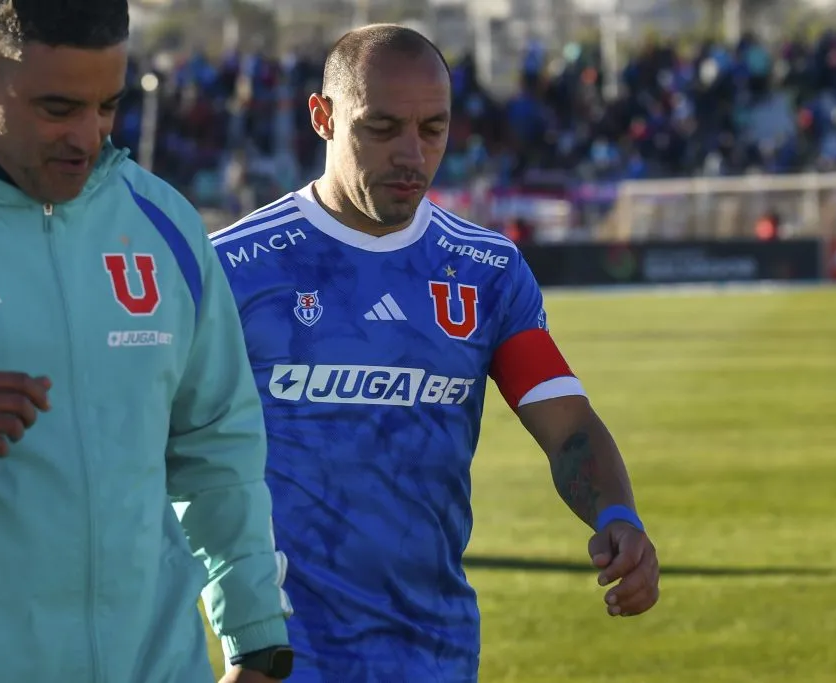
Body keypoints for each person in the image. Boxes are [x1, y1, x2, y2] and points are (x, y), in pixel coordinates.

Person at [210, 24, 660, 682]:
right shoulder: (234, 270)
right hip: (281, 657)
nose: (411, 154)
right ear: (323, 117)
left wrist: (617, 514)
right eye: (382, 127)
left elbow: (567, 425)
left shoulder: (485, 270)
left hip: (438, 650)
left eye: (433, 129)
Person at [0, 1, 294, 681]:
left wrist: (255, 637)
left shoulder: (163, 221)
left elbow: (218, 446)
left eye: (107, 106)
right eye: (59, 107)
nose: (89, 136)